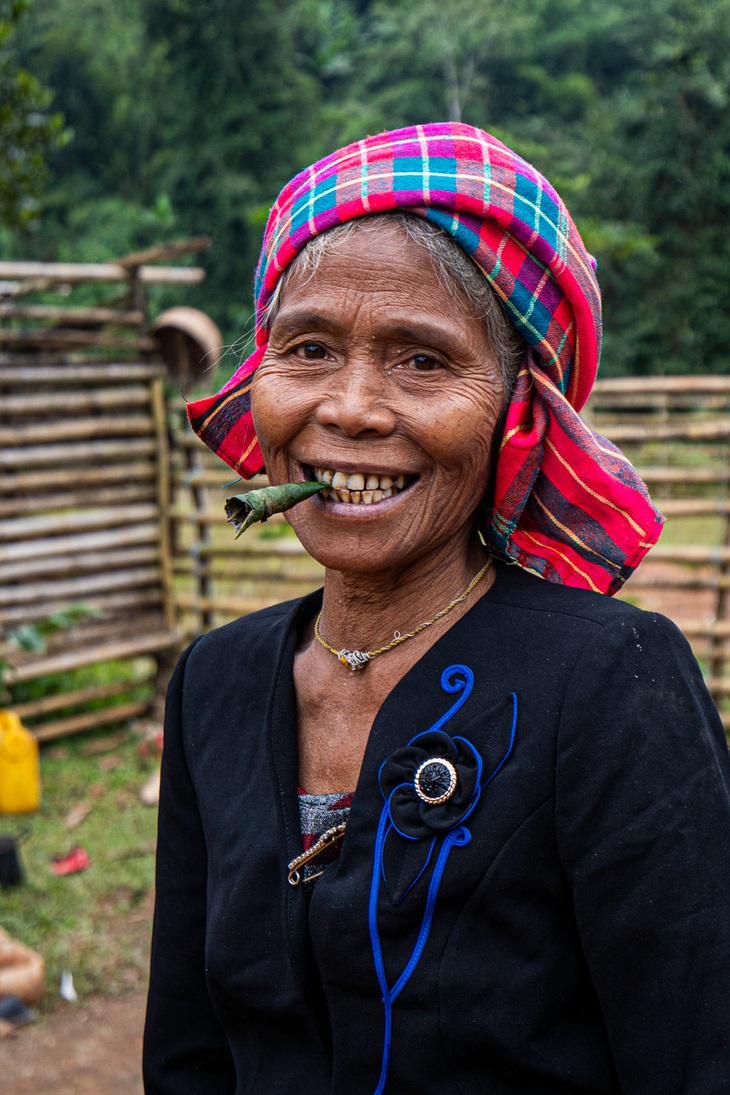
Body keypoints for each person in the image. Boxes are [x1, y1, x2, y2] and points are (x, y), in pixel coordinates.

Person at [143, 123, 730, 1094]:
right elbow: (188, 1056)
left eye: (421, 360)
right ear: (260, 376)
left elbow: (696, 1056)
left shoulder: (610, 681)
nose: (353, 407)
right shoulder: (218, 678)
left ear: (518, 404)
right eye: (310, 347)